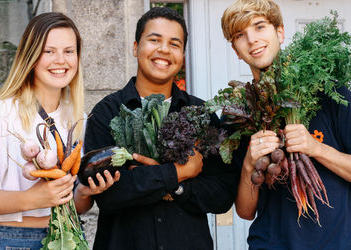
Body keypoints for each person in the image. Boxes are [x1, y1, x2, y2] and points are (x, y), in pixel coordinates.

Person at [82, 7, 240, 250]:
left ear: (183, 55)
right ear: (136, 47)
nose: (164, 50)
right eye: (154, 40)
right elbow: (108, 195)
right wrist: (177, 173)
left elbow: (222, 195)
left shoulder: (200, 113)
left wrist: (176, 188)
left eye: (174, 44)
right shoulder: (107, 112)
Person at [221, 0, 351, 249]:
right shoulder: (238, 113)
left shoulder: (329, 92)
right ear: (236, 49)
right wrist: (250, 163)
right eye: (240, 35)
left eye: (260, 27)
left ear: (279, 32)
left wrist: (316, 148)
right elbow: (245, 212)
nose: (252, 40)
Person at [0, 12, 117, 249]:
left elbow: (76, 206)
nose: (60, 60)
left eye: (69, 51)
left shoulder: (78, 118)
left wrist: (84, 194)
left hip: (71, 237)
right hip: (17, 242)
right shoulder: (0, 115)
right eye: (48, 51)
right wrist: (32, 199)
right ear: (30, 57)